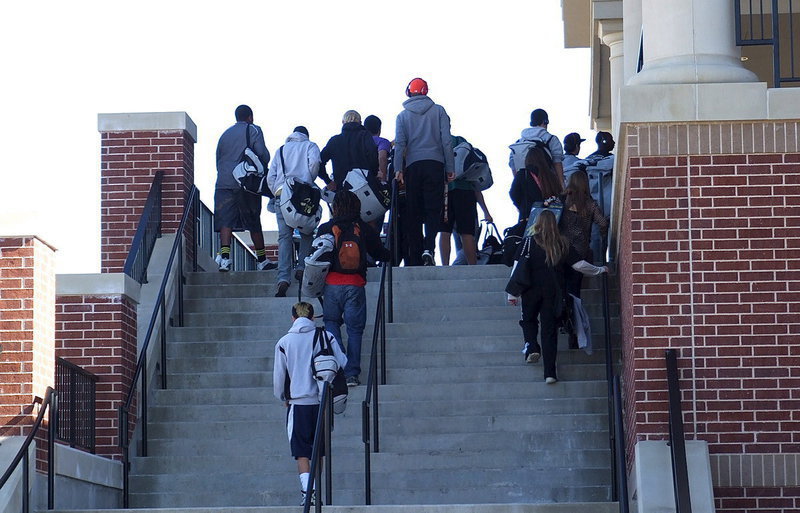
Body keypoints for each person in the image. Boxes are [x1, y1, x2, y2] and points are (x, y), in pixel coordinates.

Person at [505, 211, 608, 384]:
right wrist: (600, 270)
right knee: (549, 332)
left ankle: (531, 346)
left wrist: (512, 293)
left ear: (537, 223)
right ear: (556, 223)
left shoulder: (528, 242)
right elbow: (579, 265)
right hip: (553, 292)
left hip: (530, 290)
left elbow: (517, 268)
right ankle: (550, 374)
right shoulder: (562, 243)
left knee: (528, 320)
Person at [273, 301, 346, 506]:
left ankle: (308, 491)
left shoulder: (284, 342)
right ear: (313, 317)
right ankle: (317, 488)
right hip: (321, 403)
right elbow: (342, 362)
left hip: (297, 402)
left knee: (301, 451)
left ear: (293, 318)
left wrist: (282, 397)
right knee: (318, 450)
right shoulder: (326, 336)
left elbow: (279, 377)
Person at [317, 191, 391, 386]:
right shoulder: (363, 228)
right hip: (356, 284)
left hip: (332, 284)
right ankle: (352, 373)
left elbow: (316, 256)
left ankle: (339, 364)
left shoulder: (326, 228)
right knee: (355, 330)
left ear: (335, 207)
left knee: (331, 323)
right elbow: (381, 254)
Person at [394, 78, 455, 266]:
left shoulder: (402, 116)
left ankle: (416, 253)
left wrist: (398, 169)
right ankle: (429, 248)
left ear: (409, 92)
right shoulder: (439, 111)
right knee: (433, 210)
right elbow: (447, 140)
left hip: (413, 166)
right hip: (435, 164)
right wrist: (450, 167)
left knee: (413, 211)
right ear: (426, 91)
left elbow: (400, 144)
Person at [214, 104, 277, 272]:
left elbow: (218, 160)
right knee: (253, 220)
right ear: (250, 117)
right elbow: (262, 154)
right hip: (245, 182)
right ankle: (262, 260)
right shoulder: (253, 129)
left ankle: (225, 259)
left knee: (226, 220)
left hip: (224, 182)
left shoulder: (224, 135)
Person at [267, 126, 322, 297]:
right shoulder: (310, 146)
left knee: (284, 236)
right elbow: (315, 163)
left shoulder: (281, 150)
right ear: (306, 135)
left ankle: (283, 278)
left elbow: (271, 177)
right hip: (304, 194)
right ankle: (302, 268)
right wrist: (307, 180)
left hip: (282, 195)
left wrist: (277, 190)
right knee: (307, 232)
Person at [560, 170, 609, 346]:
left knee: (561, 289)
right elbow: (602, 223)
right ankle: (574, 332)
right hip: (579, 254)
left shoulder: (562, 202)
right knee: (574, 293)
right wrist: (604, 236)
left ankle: (561, 320)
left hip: (561, 252)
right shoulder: (590, 204)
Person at [438, 136, 493, 265]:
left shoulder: (433, 143)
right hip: (465, 191)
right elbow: (475, 186)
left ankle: (445, 267)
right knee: (467, 233)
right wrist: (486, 211)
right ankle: (472, 267)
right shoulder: (460, 142)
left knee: (444, 231)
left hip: (444, 191)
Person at [319, 110, 378, 191]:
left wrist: (328, 181)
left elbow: (319, 162)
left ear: (343, 122)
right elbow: (373, 155)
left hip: (342, 190)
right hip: (365, 187)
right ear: (360, 122)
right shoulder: (365, 135)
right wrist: (373, 174)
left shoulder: (334, 140)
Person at [509, 108, 565, 184]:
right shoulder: (551, 139)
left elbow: (513, 165)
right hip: (547, 186)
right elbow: (557, 163)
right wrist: (562, 185)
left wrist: (519, 184)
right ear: (545, 121)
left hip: (526, 186)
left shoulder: (519, 142)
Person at [509, 145, 563, 223]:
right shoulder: (551, 175)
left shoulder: (523, 174)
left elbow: (513, 193)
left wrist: (522, 206)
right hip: (551, 218)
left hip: (529, 216)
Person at [364, 115, 390, 183]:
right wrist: (383, 180)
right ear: (379, 129)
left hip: (359, 180)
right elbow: (382, 158)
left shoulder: (360, 143)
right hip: (375, 180)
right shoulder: (382, 141)